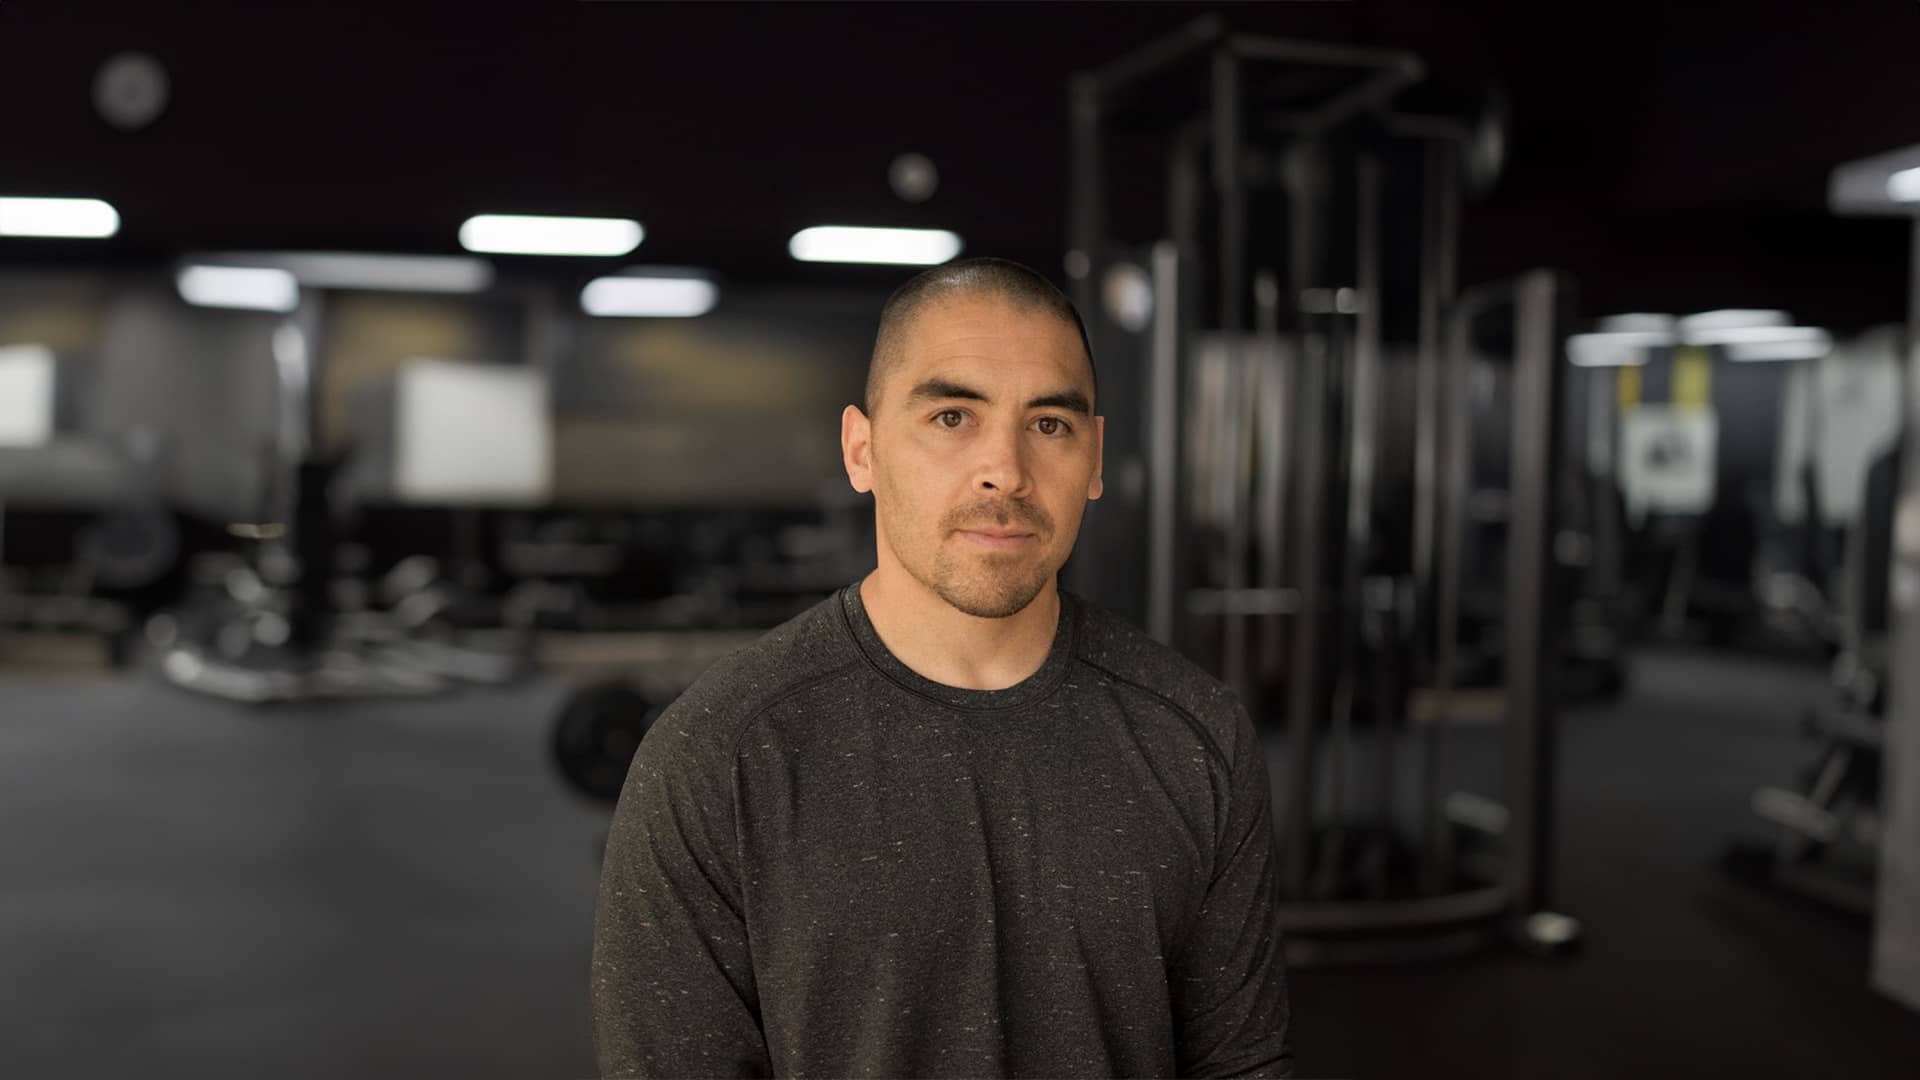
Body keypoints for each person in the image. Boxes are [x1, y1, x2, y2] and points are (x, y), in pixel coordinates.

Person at [591, 257, 1293, 1078]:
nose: (1005, 469)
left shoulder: (1196, 735)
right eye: (954, 417)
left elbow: (1241, 1066)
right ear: (863, 450)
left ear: (1095, 460)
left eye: (1050, 424)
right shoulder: (715, 757)